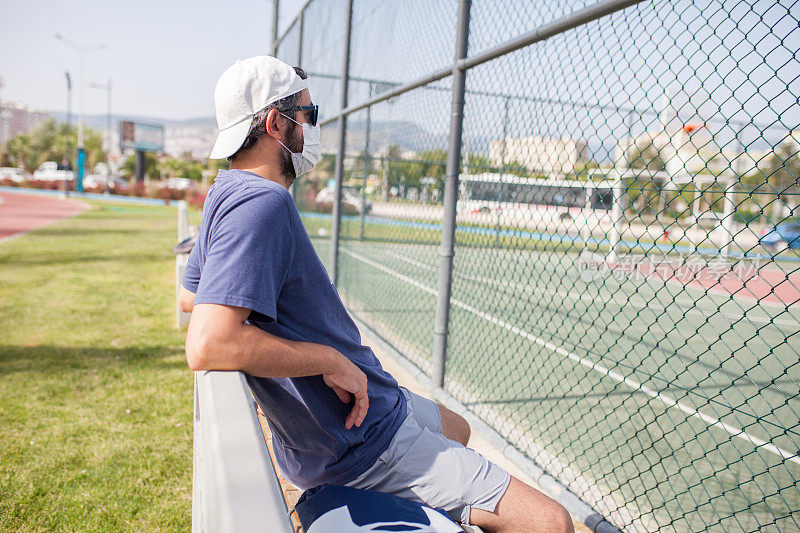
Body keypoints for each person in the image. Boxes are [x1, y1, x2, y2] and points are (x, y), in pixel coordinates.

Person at [180, 56, 573, 533]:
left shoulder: (226, 190)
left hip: (371, 410)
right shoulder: (262, 204)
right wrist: (331, 360)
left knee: (458, 429)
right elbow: (208, 343)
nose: (313, 127)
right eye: (309, 115)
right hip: (364, 442)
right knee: (550, 522)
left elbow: (191, 296)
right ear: (273, 123)